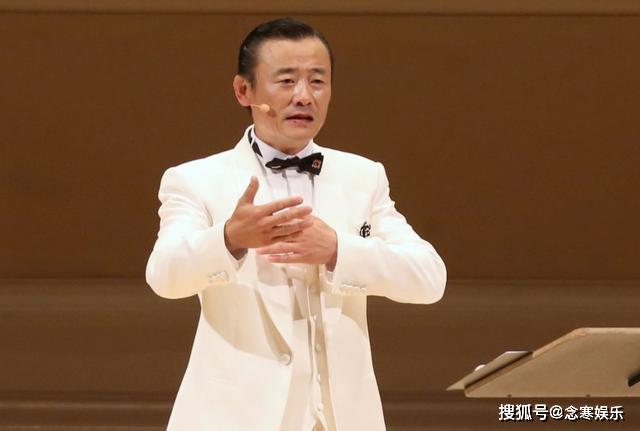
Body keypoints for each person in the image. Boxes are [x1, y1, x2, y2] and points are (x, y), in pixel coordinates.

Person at [146, 17, 446, 431]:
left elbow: (429, 279)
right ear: (244, 91)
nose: (304, 96)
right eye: (286, 81)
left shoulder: (363, 176)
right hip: (235, 418)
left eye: (317, 81)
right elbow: (164, 276)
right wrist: (230, 238)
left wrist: (338, 250)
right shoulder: (196, 179)